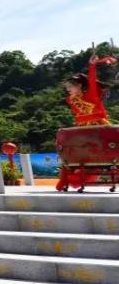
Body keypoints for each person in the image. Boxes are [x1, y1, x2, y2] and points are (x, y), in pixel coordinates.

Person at [57, 53, 115, 191]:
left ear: (79, 86)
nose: (68, 90)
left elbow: (92, 79)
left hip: (98, 127)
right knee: (75, 153)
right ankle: (69, 177)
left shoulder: (91, 94)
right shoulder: (71, 100)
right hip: (82, 129)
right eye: (67, 88)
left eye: (70, 87)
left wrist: (92, 65)